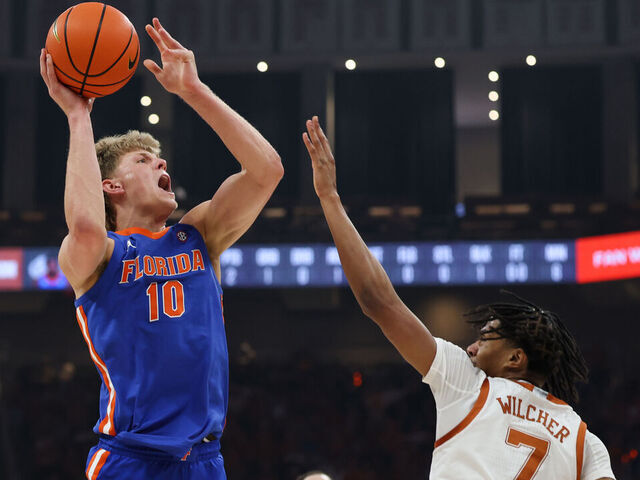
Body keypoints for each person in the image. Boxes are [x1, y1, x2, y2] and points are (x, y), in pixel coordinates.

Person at [302, 116, 615, 479]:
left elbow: (377, 300)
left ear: (516, 357)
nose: (470, 348)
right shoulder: (583, 440)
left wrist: (330, 199)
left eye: (485, 337)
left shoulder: (469, 384)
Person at [40, 17, 283, 480]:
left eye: (160, 158)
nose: (161, 162)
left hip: (205, 459)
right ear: (110, 185)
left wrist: (194, 91)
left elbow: (265, 170)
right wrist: (78, 116)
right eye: (143, 161)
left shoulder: (198, 235)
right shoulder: (99, 256)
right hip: (131, 459)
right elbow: (87, 225)